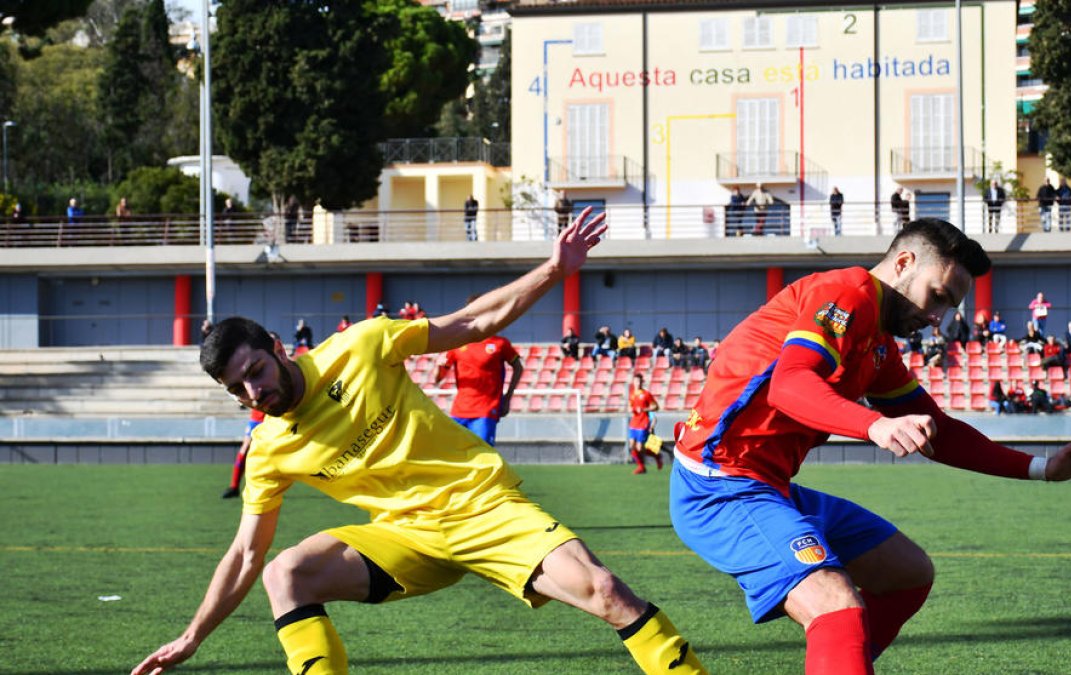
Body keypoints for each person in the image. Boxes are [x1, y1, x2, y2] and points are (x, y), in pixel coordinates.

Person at [131, 208, 708, 675]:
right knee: (285, 574)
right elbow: (245, 555)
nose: (254, 391)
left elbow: (471, 322)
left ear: (278, 347)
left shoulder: (361, 346)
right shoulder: (269, 448)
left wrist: (554, 270)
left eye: (256, 370)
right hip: (404, 538)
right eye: (238, 388)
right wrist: (192, 636)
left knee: (605, 591)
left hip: (481, 507)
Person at [669, 218, 1071, 673]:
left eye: (948, 307)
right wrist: (874, 425)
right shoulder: (846, 294)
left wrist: (1042, 467)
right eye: (937, 296)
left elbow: (940, 432)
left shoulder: (878, 344)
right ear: (903, 262)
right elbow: (790, 384)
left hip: (769, 486)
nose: (937, 318)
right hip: (719, 486)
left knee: (907, 574)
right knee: (834, 604)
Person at [435, 316, 523, 448]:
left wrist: (507, 397)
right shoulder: (457, 344)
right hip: (459, 411)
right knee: (455, 453)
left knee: (482, 453)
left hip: (486, 411)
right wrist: (439, 367)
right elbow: (438, 379)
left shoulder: (500, 343)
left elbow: (518, 368)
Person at [223, 406, 266, 499]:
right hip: (257, 418)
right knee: (245, 449)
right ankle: (234, 486)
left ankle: (264, 487)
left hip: (273, 420)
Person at [627, 373, 661, 474]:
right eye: (636, 381)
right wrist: (630, 409)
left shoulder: (646, 394)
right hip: (634, 422)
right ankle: (641, 467)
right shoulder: (632, 394)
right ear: (633, 382)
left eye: (639, 381)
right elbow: (629, 406)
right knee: (632, 446)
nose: (637, 383)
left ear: (642, 382)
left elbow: (656, 407)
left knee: (639, 448)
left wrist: (643, 409)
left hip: (643, 422)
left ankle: (656, 456)